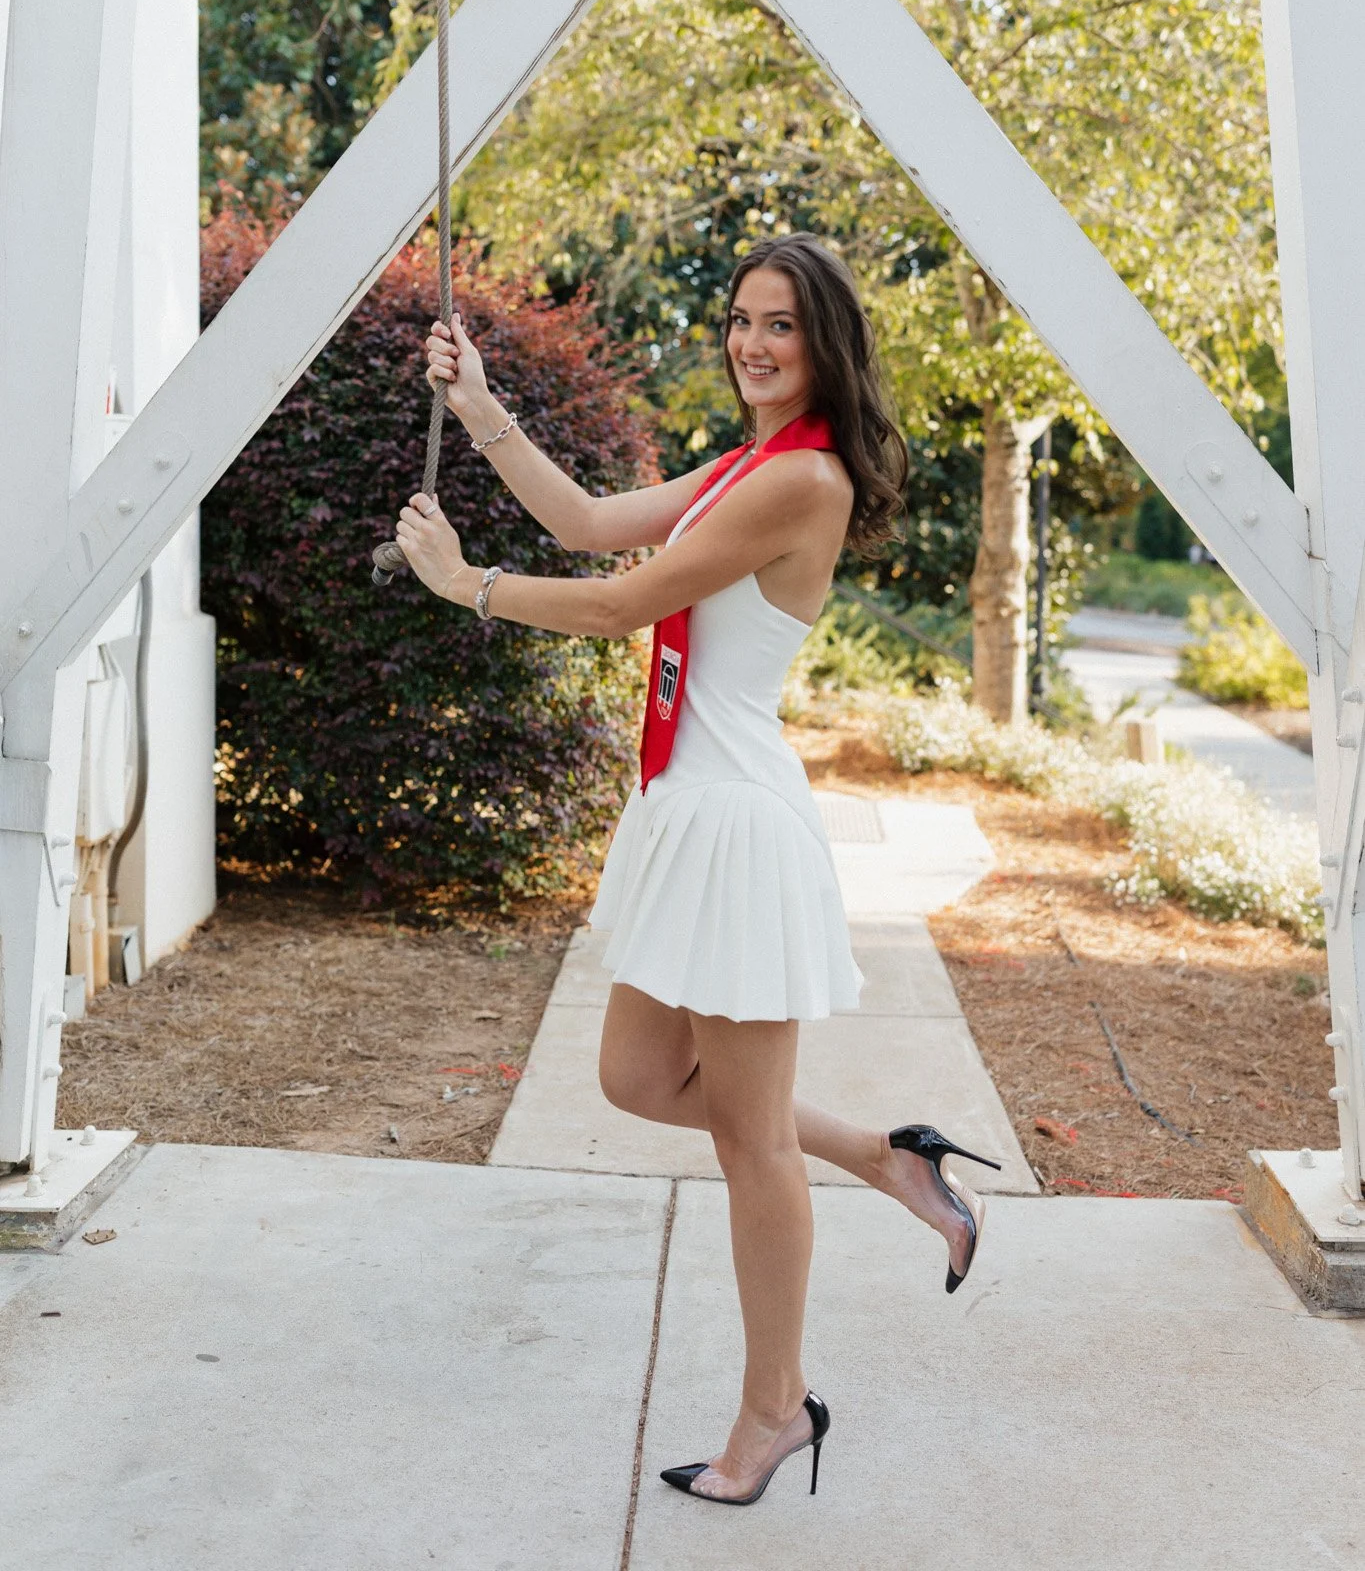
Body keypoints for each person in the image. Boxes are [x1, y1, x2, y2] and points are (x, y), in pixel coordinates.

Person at [396, 232, 999, 1509]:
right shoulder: (746, 463)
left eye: (779, 324)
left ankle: (776, 1410)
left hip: (736, 827)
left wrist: (471, 587)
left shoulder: (805, 481)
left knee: (746, 1146)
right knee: (636, 1077)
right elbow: (595, 520)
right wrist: (482, 406)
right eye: (739, 319)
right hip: (689, 815)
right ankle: (891, 1154)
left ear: (823, 342)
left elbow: (621, 600)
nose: (750, 341)